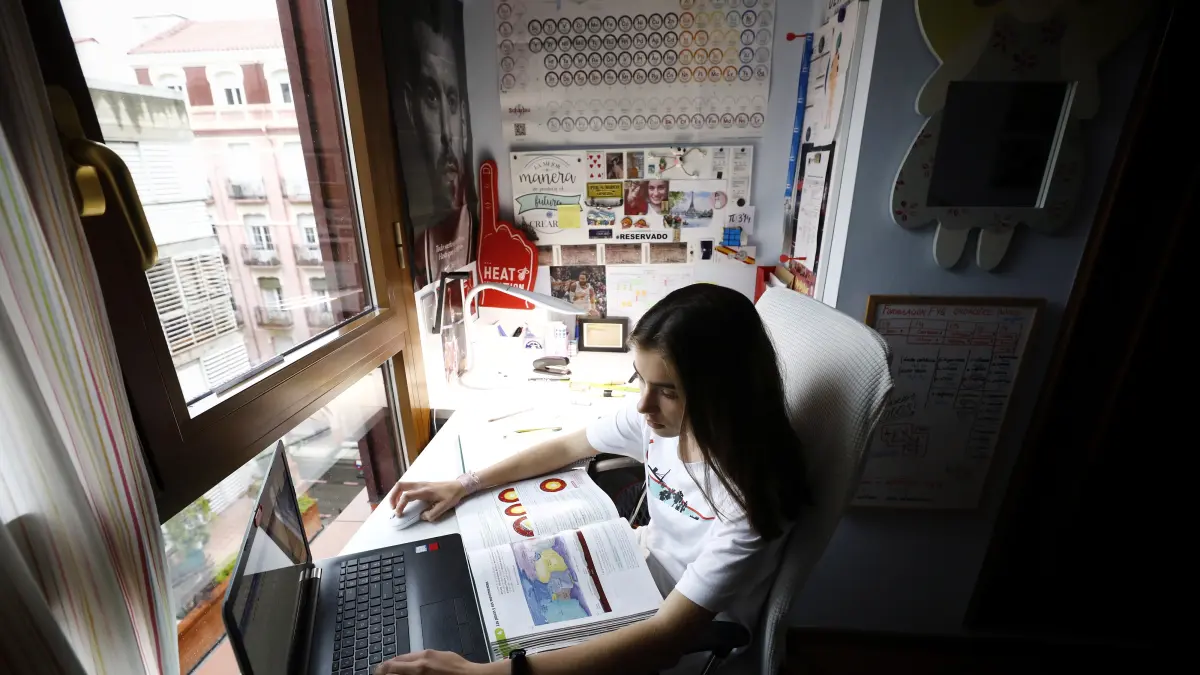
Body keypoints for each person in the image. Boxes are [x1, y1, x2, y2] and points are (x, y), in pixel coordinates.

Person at [378, 284, 809, 675]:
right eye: (641, 379)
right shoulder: (661, 422)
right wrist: (466, 483)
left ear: (724, 393)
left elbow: (665, 640)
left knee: (481, 653)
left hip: (681, 634)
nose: (643, 405)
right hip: (631, 572)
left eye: (668, 391)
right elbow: (569, 446)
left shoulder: (753, 497)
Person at [382, 0, 474, 289]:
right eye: (432, 97)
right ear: (411, 108)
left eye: (453, 100)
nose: (447, 133)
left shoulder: (470, 225)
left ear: (463, 115)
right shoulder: (417, 239)